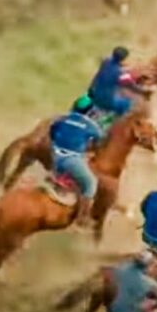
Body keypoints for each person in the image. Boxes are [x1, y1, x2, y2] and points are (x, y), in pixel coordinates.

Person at [49, 96, 104, 225]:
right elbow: (99, 141)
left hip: (56, 156)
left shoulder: (62, 118)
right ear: (90, 112)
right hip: (72, 159)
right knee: (91, 184)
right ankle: (82, 218)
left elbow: (52, 132)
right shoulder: (91, 126)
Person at [88, 46, 144, 118]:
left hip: (94, 95)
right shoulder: (120, 74)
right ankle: (115, 119)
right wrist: (144, 91)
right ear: (124, 59)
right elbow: (132, 86)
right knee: (127, 103)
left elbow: (107, 62)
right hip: (106, 102)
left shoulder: (105, 61)